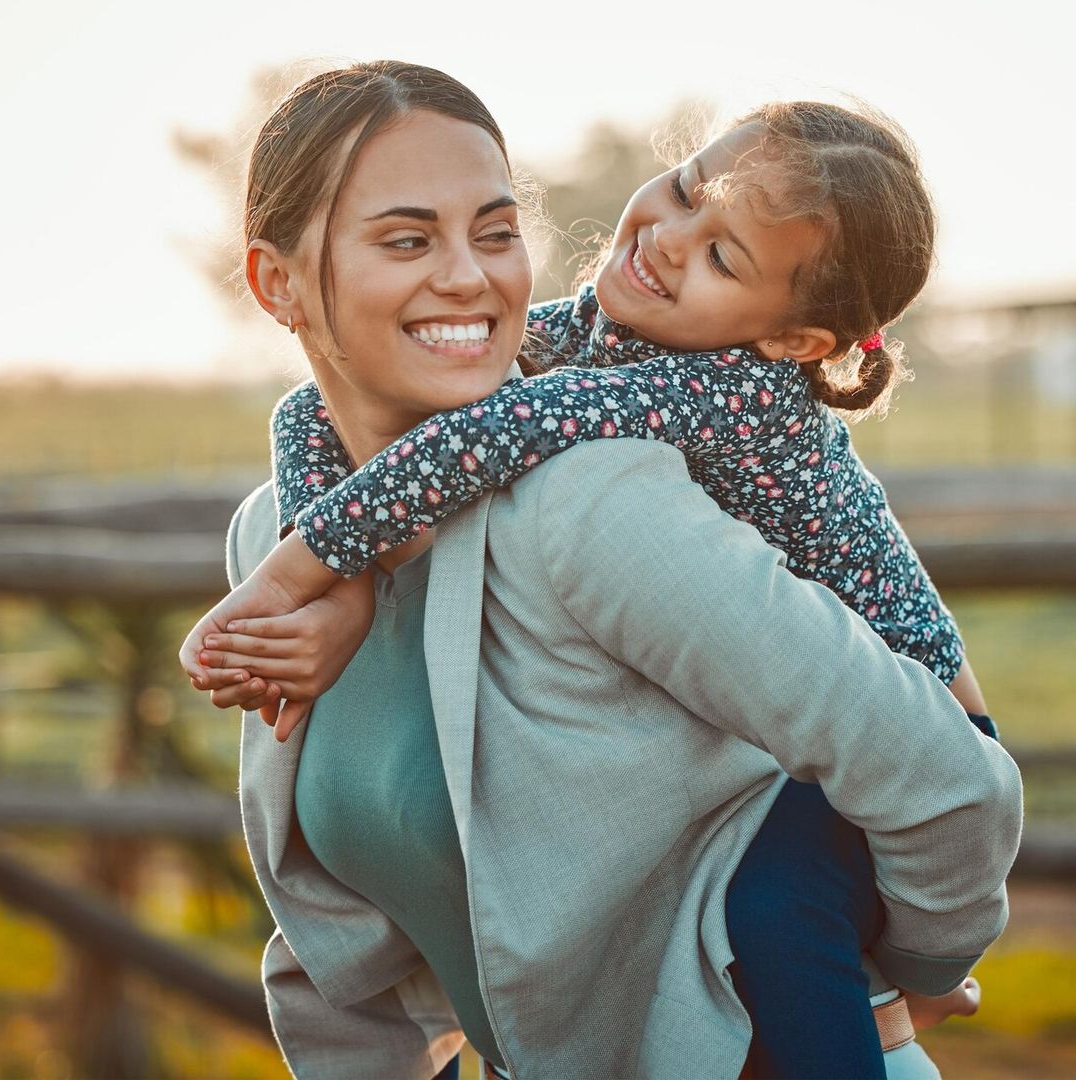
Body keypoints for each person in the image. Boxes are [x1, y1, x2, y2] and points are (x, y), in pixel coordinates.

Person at [182, 61, 1021, 1078]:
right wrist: (336, 582)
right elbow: (346, 924)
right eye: (409, 238)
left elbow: (943, 775)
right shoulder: (269, 525)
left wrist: (916, 972)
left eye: (495, 232)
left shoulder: (598, 485)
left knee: (784, 903)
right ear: (277, 283)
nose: (468, 277)